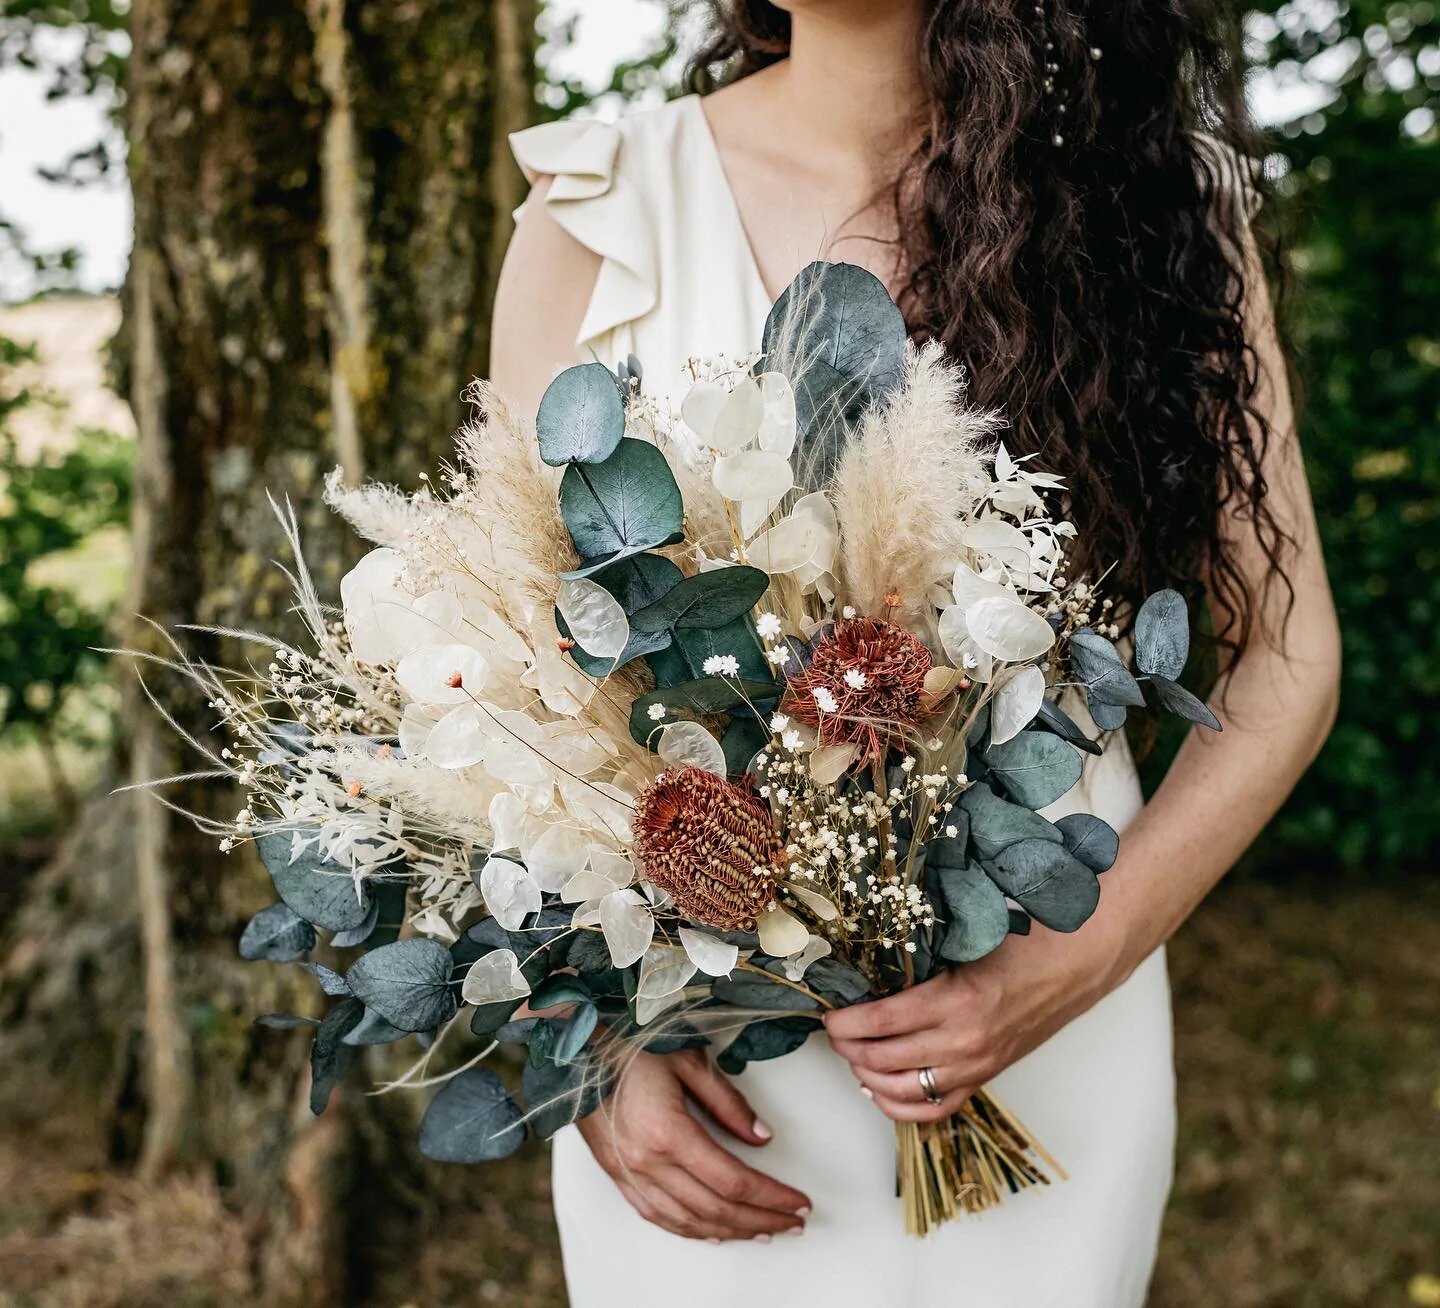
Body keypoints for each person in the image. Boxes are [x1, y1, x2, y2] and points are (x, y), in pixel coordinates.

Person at [489, 2, 1340, 1303]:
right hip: (702, 1051)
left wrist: (1080, 959)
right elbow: (510, 668)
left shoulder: (1157, 198)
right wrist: (578, 1041)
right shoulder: (596, 204)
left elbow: (1287, 657)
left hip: (1050, 1004)